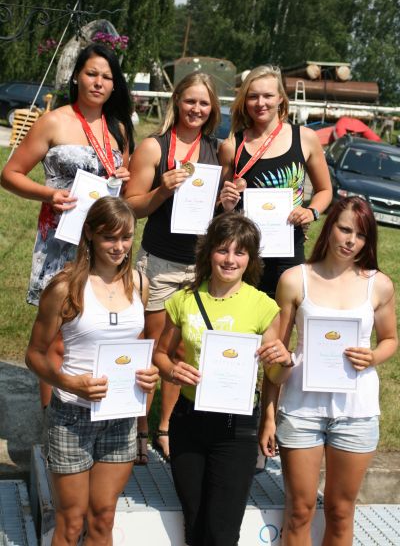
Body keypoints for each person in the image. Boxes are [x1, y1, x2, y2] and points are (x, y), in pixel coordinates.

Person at [1, 43, 133, 407]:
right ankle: (51, 416)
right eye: (91, 74)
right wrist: (48, 194)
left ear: (114, 84)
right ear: (76, 77)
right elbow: (10, 174)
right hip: (60, 241)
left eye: (107, 77)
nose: (98, 82)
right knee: (56, 334)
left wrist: (123, 177)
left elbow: (123, 190)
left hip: (102, 246)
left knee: (89, 329)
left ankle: (85, 404)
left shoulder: (118, 129)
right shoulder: (53, 121)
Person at [262, 196, 398, 545]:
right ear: (330, 226)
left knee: (340, 511)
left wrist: (373, 356)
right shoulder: (295, 279)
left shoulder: (379, 284)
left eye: (361, 235)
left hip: (356, 413)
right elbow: (276, 353)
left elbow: (390, 339)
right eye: (345, 229)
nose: (351, 241)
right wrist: (269, 416)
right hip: (301, 411)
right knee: (299, 510)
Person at [25, 196, 159, 546]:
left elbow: (136, 347)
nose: (119, 247)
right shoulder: (65, 287)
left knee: (103, 518)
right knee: (70, 523)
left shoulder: (139, 283)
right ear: (90, 234)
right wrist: (70, 383)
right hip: (72, 415)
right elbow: (35, 355)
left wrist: (148, 374)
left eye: (126, 237)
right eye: (109, 238)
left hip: (120, 416)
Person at [153, 211, 288, 546]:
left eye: (239, 252)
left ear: (250, 259)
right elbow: (160, 354)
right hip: (189, 421)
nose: (230, 260)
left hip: (235, 429)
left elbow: (274, 374)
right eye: (222, 250)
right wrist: (172, 370)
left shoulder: (262, 305)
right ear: (208, 252)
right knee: (195, 524)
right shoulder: (183, 300)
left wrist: (283, 362)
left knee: (222, 533)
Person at [125, 71, 220, 463]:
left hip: (200, 265)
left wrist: (229, 200)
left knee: (182, 348)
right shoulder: (154, 146)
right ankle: (138, 427)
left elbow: (219, 209)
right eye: (190, 100)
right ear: (177, 101)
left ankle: (165, 428)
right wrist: (162, 190)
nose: (196, 109)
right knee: (151, 347)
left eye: (204, 103)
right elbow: (131, 205)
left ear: (213, 108)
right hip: (160, 262)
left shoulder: (218, 150)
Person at [218, 64, 332, 298]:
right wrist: (225, 201)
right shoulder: (232, 145)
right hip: (242, 254)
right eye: (253, 96)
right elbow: (220, 204)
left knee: (283, 319)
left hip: (288, 252)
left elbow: (325, 190)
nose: (260, 103)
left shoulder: (306, 138)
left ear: (280, 98)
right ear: (244, 101)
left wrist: (311, 211)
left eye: (268, 95)